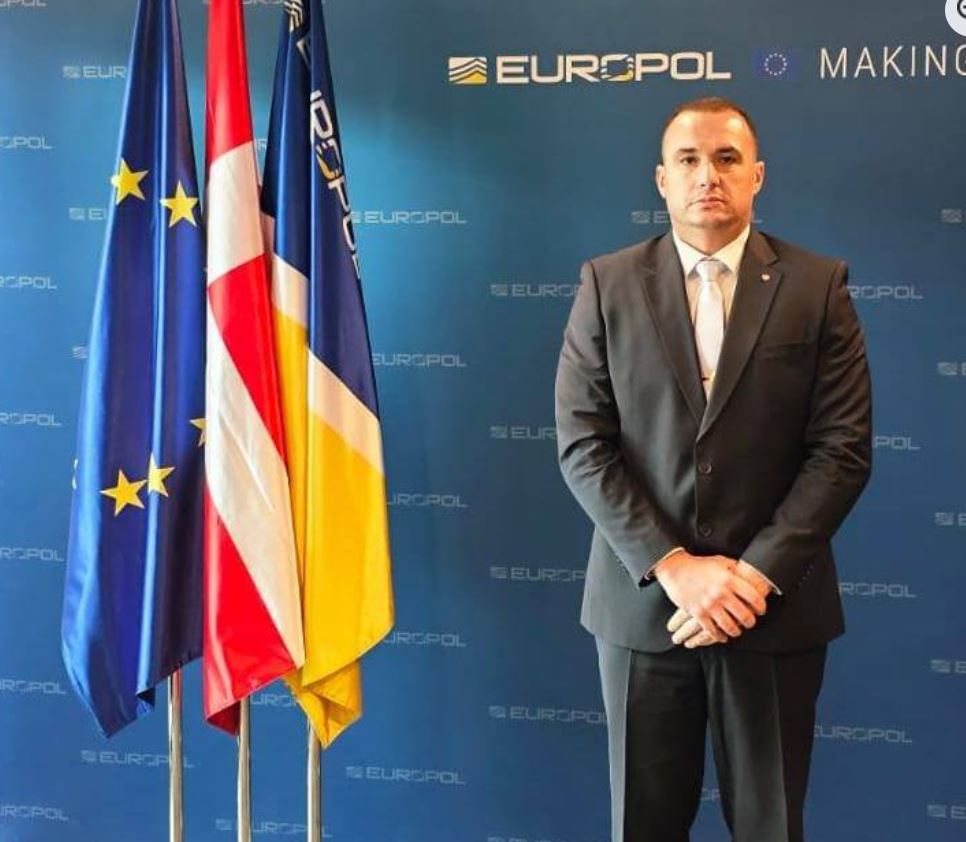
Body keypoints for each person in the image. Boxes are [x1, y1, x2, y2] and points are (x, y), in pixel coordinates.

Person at [554, 96, 872, 842]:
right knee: (643, 826)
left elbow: (842, 447)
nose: (708, 176)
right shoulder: (606, 283)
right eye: (689, 160)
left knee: (770, 826)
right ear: (661, 179)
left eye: (727, 159)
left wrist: (752, 577)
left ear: (756, 176)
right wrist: (673, 566)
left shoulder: (818, 286)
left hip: (773, 610)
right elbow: (583, 442)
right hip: (644, 611)